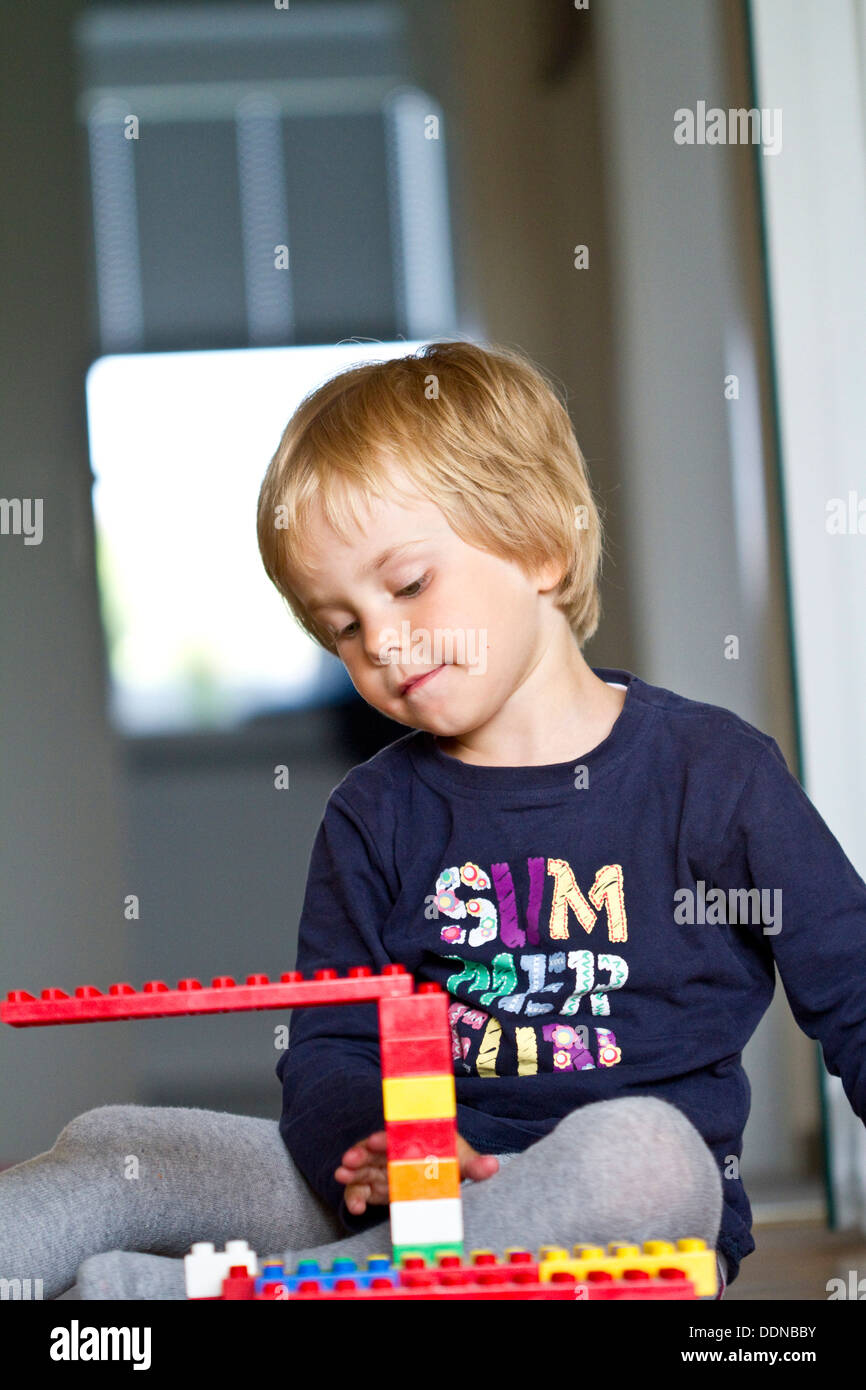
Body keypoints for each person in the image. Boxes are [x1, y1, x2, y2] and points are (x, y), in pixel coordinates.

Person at [2, 340, 862, 1300]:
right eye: (343, 626)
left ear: (540, 543)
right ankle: (335, 1281)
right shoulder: (374, 815)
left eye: (408, 585)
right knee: (123, 1145)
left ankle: (266, 1292)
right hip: (410, 1199)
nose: (382, 641)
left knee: (649, 1158)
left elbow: (856, 990)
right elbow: (329, 1050)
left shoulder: (714, 773)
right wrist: (368, 1142)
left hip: (612, 1226)